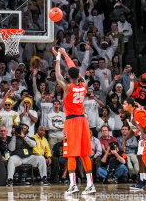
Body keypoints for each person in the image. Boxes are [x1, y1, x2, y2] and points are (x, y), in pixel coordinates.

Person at [53, 47, 95, 195]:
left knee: (71, 154)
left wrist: (58, 57)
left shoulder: (67, 87)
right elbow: (73, 68)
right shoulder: (83, 85)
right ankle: (90, 184)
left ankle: (73, 185)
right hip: (83, 121)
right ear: (78, 75)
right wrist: (65, 54)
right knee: (84, 154)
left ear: (69, 77)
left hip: (72, 122)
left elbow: (57, 76)